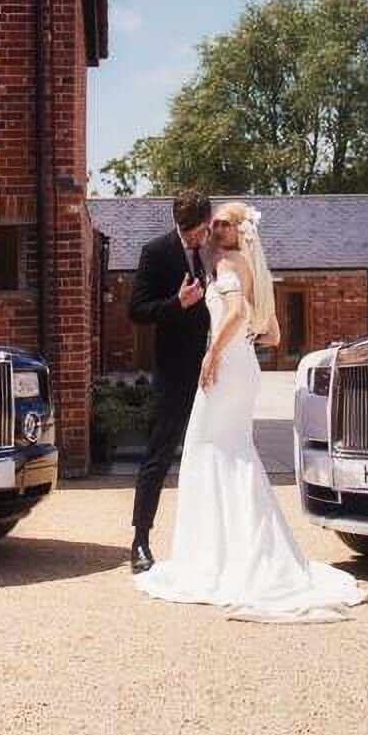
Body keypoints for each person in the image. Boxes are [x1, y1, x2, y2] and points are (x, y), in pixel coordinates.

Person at [133, 201, 367, 623]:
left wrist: (216, 354)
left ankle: (217, 557)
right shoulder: (250, 268)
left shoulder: (225, 264)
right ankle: (179, 543)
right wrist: (235, 339)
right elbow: (273, 333)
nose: (214, 231)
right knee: (231, 452)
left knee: (207, 451)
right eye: (213, 224)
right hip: (237, 366)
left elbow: (237, 311)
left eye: (221, 224)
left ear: (235, 229)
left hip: (220, 367)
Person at [126, 188, 215, 572]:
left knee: (216, 453)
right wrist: (177, 304)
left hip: (218, 370)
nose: (197, 238)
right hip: (176, 369)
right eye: (191, 233)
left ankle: (215, 543)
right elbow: (137, 311)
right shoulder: (156, 252)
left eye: (200, 231)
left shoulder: (217, 249)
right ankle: (140, 541)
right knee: (159, 453)